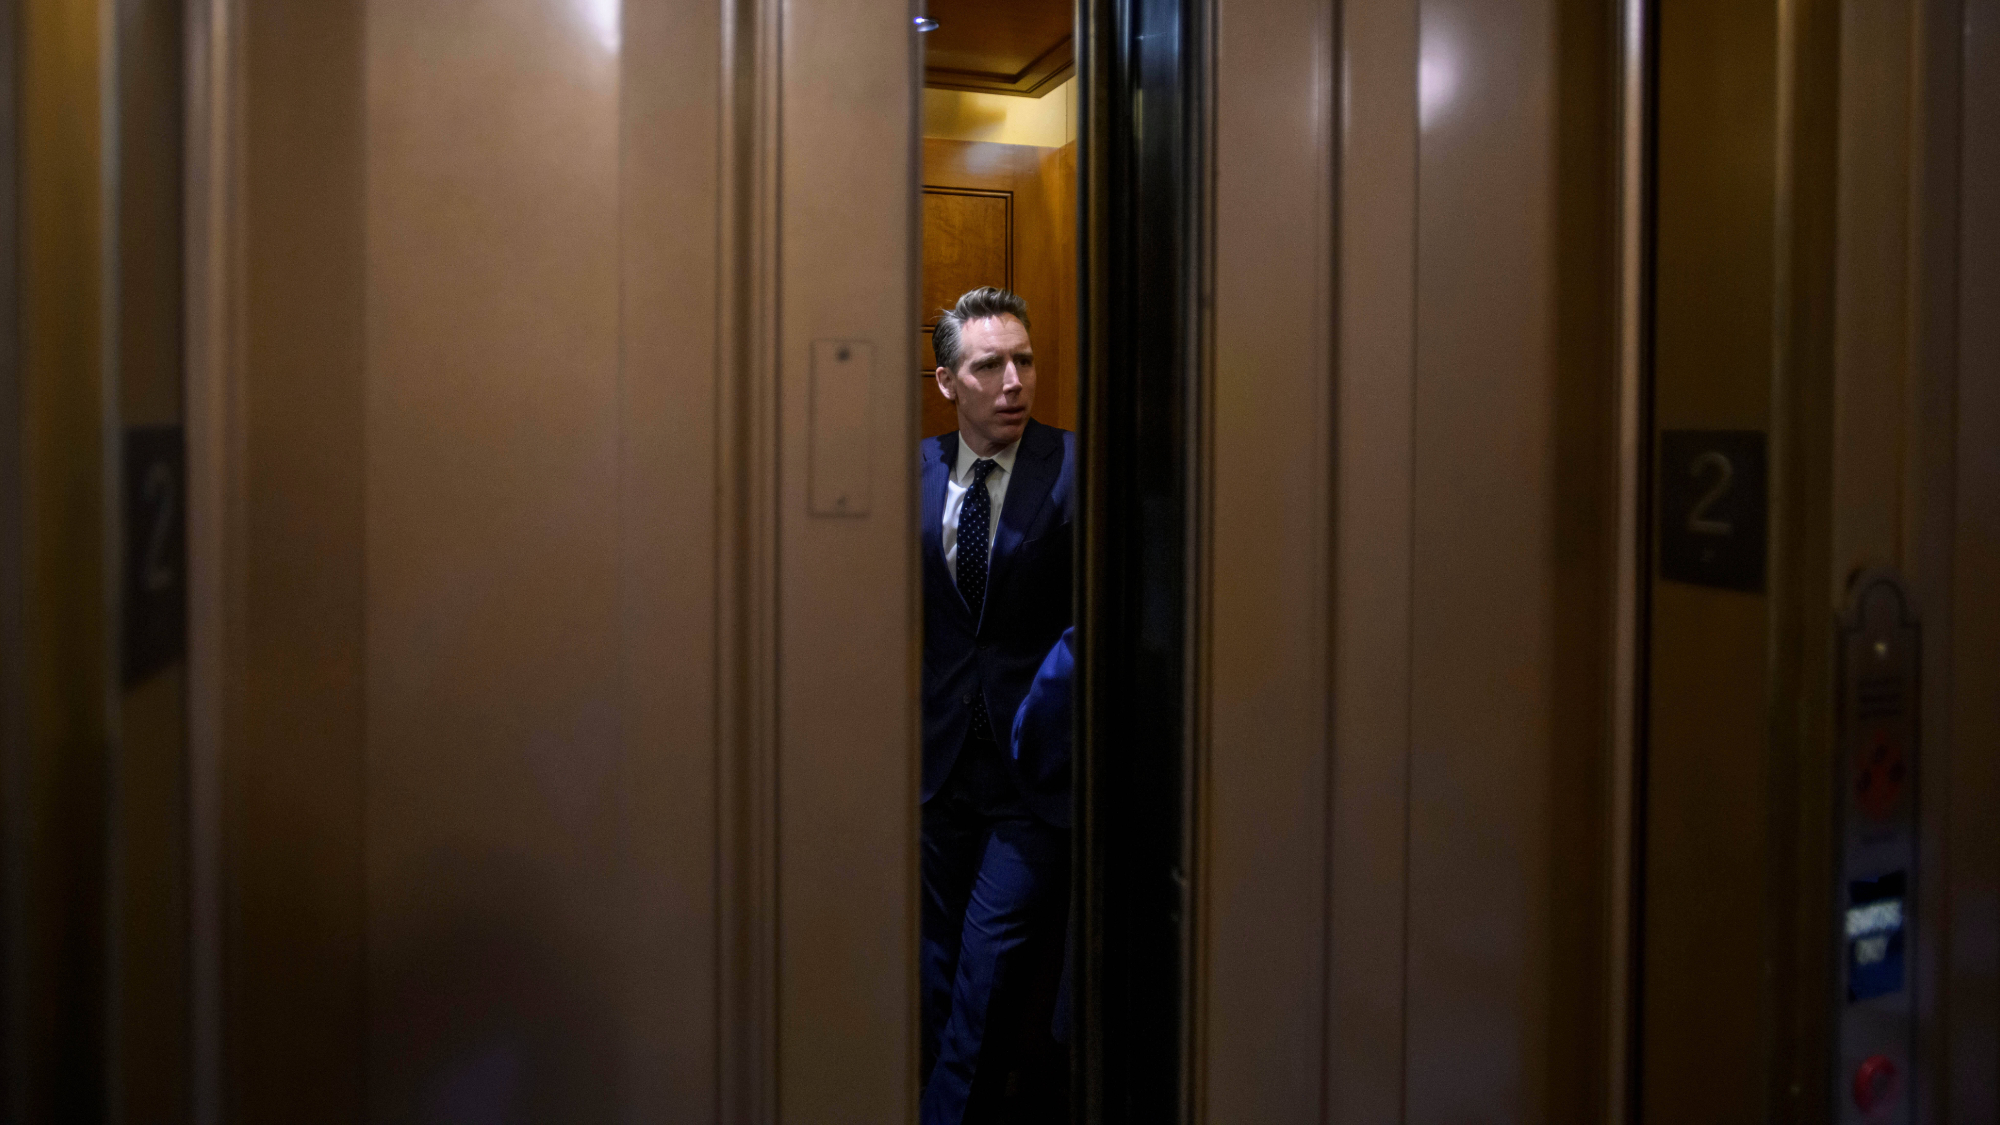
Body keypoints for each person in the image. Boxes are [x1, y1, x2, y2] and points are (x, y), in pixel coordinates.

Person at [919, 287, 1075, 1123]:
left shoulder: (1075, 467)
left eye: (1025, 360)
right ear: (949, 381)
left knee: (986, 977)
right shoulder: (912, 472)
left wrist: (1046, 715)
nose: (1014, 381)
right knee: (934, 976)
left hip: (1033, 778)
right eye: (989, 365)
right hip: (936, 770)